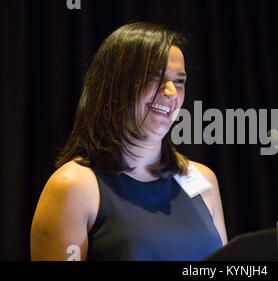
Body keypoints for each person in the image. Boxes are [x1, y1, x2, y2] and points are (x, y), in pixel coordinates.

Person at [30, 22, 228, 261]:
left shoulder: (203, 179)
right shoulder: (73, 186)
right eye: (155, 77)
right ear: (115, 84)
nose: (171, 92)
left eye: (179, 81)